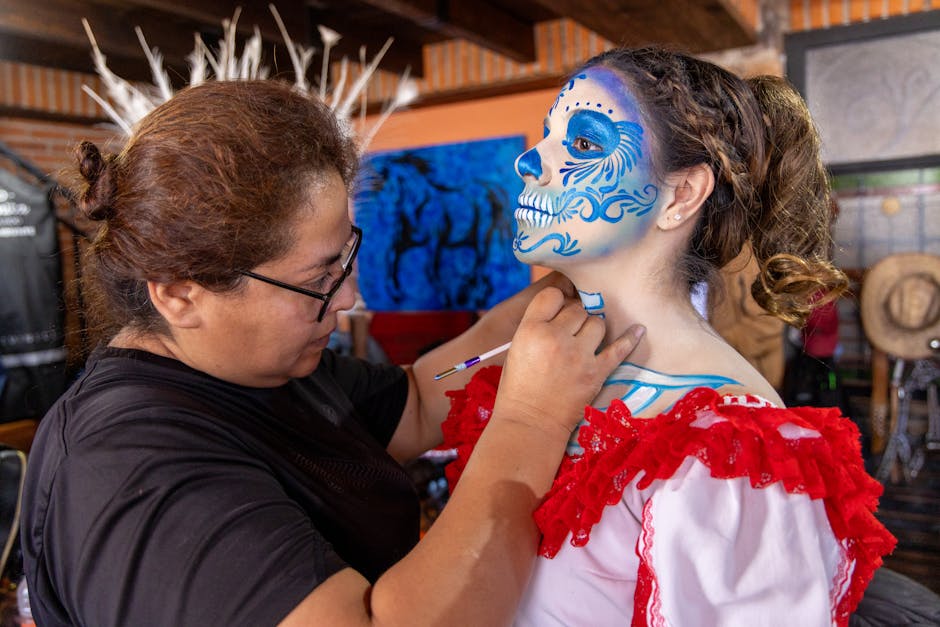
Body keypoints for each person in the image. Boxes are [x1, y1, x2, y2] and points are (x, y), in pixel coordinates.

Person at [19, 79, 646, 626]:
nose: (348, 296)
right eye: (319, 277)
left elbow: (421, 400)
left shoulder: (265, 365)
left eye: (345, 257)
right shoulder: (128, 466)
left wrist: (583, 276)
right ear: (181, 294)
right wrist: (531, 421)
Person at [442, 47, 896, 626]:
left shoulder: (731, 452)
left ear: (680, 196)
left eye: (583, 143)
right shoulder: (543, 375)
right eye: (548, 136)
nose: (529, 162)